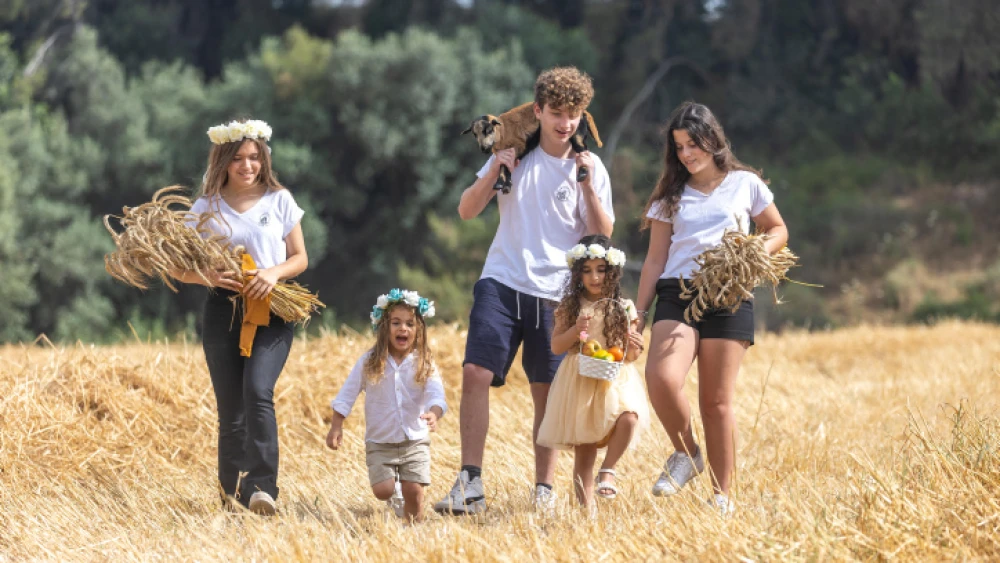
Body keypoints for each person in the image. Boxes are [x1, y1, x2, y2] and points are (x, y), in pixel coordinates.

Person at [434, 66, 614, 514]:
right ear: (538, 110)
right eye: (556, 113)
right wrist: (494, 167)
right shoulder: (513, 152)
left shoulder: (590, 167)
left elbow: (601, 235)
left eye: (573, 114)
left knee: (547, 393)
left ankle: (544, 491)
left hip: (557, 291)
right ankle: (470, 485)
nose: (564, 123)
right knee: (476, 372)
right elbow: (466, 210)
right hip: (502, 278)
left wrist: (589, 187)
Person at [634, 102, 788, 516]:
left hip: (730, 293)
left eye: (693, 143)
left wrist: (751, 253)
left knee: (716, 403)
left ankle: (722, 496)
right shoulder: (668, 196)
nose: (686, 154)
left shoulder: (745, 183)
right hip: (678, 293)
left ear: (713, 139)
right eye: (679, 147)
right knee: (661, 378)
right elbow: (653, 260)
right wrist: (639, 311)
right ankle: (687, 453)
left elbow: (778, 230)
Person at [170, 118, 308, 515]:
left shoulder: (280, 199)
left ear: (263, 159)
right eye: (239, 159)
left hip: (274, 308)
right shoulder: (204, 208)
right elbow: (175, 267)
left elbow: (299, 257)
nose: (248, 166)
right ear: (224, 161)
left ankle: (262, 487)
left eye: (254, 158)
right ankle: (230, 497)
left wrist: (272, 273)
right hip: (222, 311)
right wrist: (206, 276)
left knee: (258, 390)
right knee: (231, 411)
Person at [536, 235, 649, 509]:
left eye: (601, 270)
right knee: (584, 450)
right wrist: (576, 329)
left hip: (614, 377)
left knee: (629, 417)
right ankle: (587, 513)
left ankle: (608, 469)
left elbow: (629, 356)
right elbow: (556, 346)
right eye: (587, 271)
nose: (594, 277)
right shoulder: (570, 306)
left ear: (612, 272)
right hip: (580, 378)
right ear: (577, 274)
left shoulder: (624, 307)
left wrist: (636, 345)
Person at [326, 290, 446, 523]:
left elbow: (436, 393)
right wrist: (336, 426)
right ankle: (395, 495)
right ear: (384, 327)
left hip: (414, 439)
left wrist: (434, 413)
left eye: (410, 324)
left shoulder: (424, 361)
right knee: (383, 490)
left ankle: (413, 530)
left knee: (415, 491)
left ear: (418, 330)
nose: (403, 328)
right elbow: (347, 394)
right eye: (396, 323)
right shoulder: (370, 361)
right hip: (380, 441)